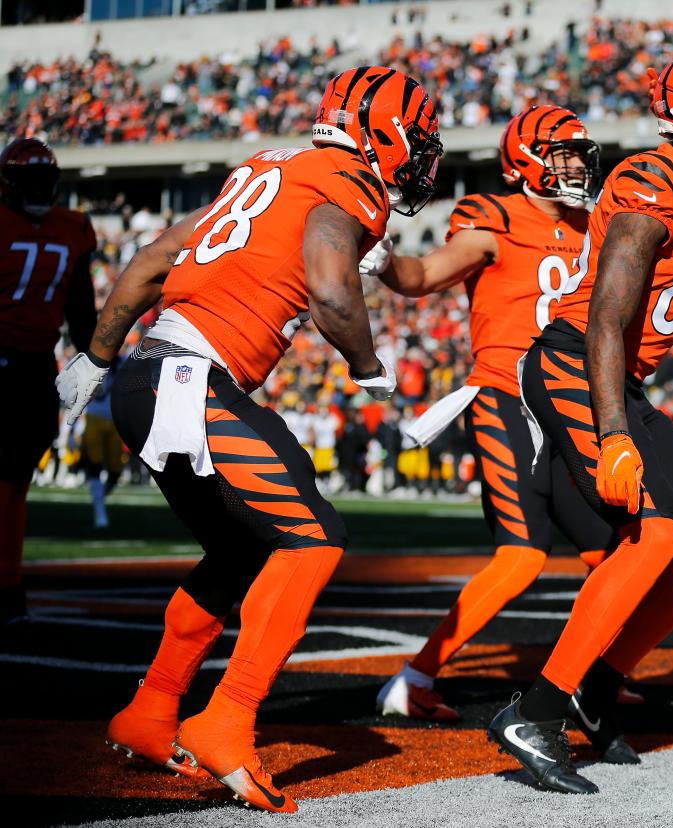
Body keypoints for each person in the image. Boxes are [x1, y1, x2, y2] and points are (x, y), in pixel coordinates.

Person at [55, 66, 443, 812]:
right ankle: (227, 717)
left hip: (147, 376)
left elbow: (151, 262)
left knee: (239, 549)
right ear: (382, 131)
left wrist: (96, 358)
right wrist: (368, 367)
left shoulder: (264, 169)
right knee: (314, 538)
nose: (421, 157)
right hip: (192, 379)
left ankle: (150, 711)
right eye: (417, 140)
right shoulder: (347, 180)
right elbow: (333, 288)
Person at [487, 44, 673, 794]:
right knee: (653, 535)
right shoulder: (656, 177)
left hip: (622, 374)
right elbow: (605, 314)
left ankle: (596, 683)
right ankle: (538, 710)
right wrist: (614, 430)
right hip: (576, 365)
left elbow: (646, 293)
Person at [365, 105, 621, 726]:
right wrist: (383, 261)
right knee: (522, 557)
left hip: (570, 405)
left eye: (578, 154)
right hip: (507, 398)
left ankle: (595, 680)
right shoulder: (495, 219)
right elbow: (422, 274)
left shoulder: (595, 225)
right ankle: (415, 676)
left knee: (614, 554)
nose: (576, 166)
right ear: (527, 160)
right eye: (562, 154)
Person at [0, 137, 97, 624]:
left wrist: (92, 357)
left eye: (45, 181)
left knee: (16, 481)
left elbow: (80, 307)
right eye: (29, 181)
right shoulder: (70, 227)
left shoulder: (74, 228)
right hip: (19, 362)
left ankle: (9, 584)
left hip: (35, 362)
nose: (39, 191)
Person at [81, 357, 126, 528]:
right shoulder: (91, 361)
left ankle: (98, 499)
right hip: (94, 416)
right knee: (95, 464)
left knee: (115, 471)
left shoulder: (122, 362)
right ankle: (99, 509)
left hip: (114, 419)